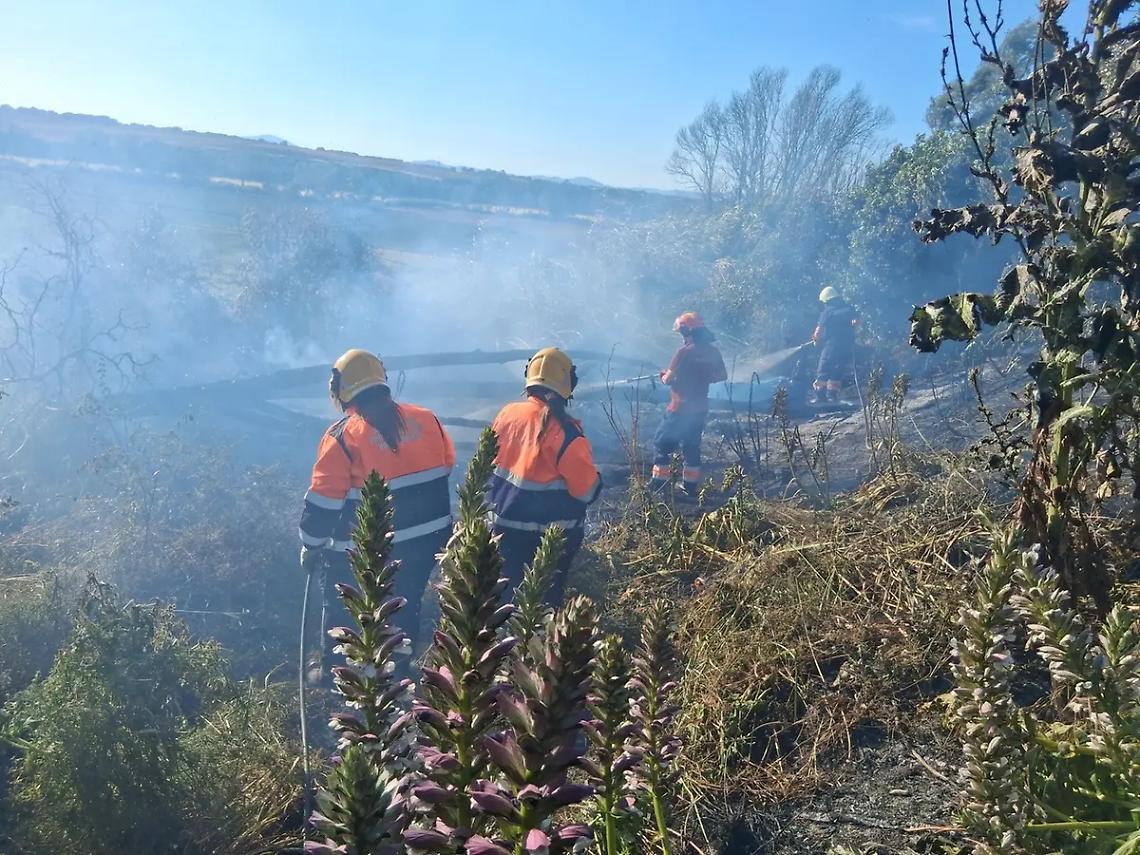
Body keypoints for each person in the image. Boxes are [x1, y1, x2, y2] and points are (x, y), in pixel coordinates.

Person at [298, 348, 455, 664]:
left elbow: (324, 502)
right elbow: (447, 464)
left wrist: (311, 545)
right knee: (403, 606)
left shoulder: (342, 436)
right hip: (427, 543)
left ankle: (338, 681)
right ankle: (398, 675)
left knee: (345, 612)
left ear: (341, 390)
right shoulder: (427, 419)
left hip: (365, 551)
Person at [488, 346, 602, 602]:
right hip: (549, 541)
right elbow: (587, 492)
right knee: (542, 602)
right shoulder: (567, 434)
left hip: (502, 527)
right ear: (568, 383)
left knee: (505, 596)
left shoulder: (507, 414)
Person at [649, 311, 727, 495]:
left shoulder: (683, 352)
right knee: (691, 445)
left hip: (679, 409)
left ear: (687, 332)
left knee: (661, 443)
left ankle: (659, 484)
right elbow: (722, 375)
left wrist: (663, 376)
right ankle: (690, 486)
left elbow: (668, 380)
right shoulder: (712, 351)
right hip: (700, 409)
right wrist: (703, 377)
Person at [811, 286, 859, 403]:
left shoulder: (828, 311)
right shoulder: (848, 308)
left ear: (826, 300)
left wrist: (816, 339)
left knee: (824, 368)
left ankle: (820, 397)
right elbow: (856, 322)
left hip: (832, 345)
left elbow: (819, 329)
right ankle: (832, 396)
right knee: (838, 369)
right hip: (847, 345)